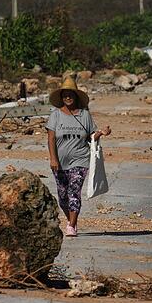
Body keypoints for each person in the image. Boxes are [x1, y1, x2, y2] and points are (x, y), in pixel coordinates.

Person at [46, 76, 111, 237]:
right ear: (61, 97)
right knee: (62, 197)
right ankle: (71, 220)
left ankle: (71, 225)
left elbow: (91, 136)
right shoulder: (55, 115)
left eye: (71, 94)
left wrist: (101, 133)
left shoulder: (84, 115)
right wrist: (53, 158)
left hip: (80, 159)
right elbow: (51, 138)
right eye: (65, 94)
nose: (68, 97)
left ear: (76, 97)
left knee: (74, 191)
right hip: (60, 162)